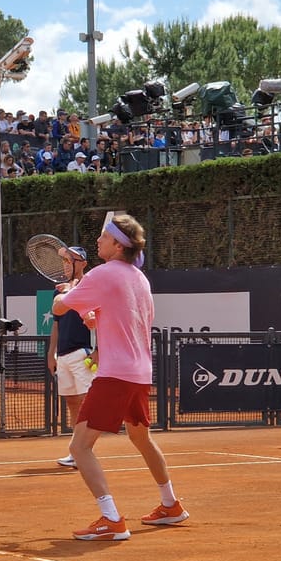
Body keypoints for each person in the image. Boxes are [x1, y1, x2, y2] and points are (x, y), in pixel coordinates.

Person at [51, 214, 188, 541]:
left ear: (117, 244)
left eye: (103, 237)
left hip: (115, 375)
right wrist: (95, 318)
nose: (97, 241)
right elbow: (129, 318)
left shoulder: (101, 274)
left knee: (80, 447)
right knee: (141, 438)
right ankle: (170, 504)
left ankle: (111, 518)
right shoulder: (140, 279)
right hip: (140, 374)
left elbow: (59, 308)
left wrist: (66, 293)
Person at [47, 246, 95, 469]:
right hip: (63, 355)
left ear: (83, 263)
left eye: (70, 260)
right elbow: (56, 325)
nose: (66, 264)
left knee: (87, 404)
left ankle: (84, 451)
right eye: (64, 260)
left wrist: (98, 350)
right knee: (72, 403)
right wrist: (51, 353)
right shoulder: (59, 292)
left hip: (81, 353)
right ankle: (78, 452)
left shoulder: (90, 286)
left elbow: (100, 318)